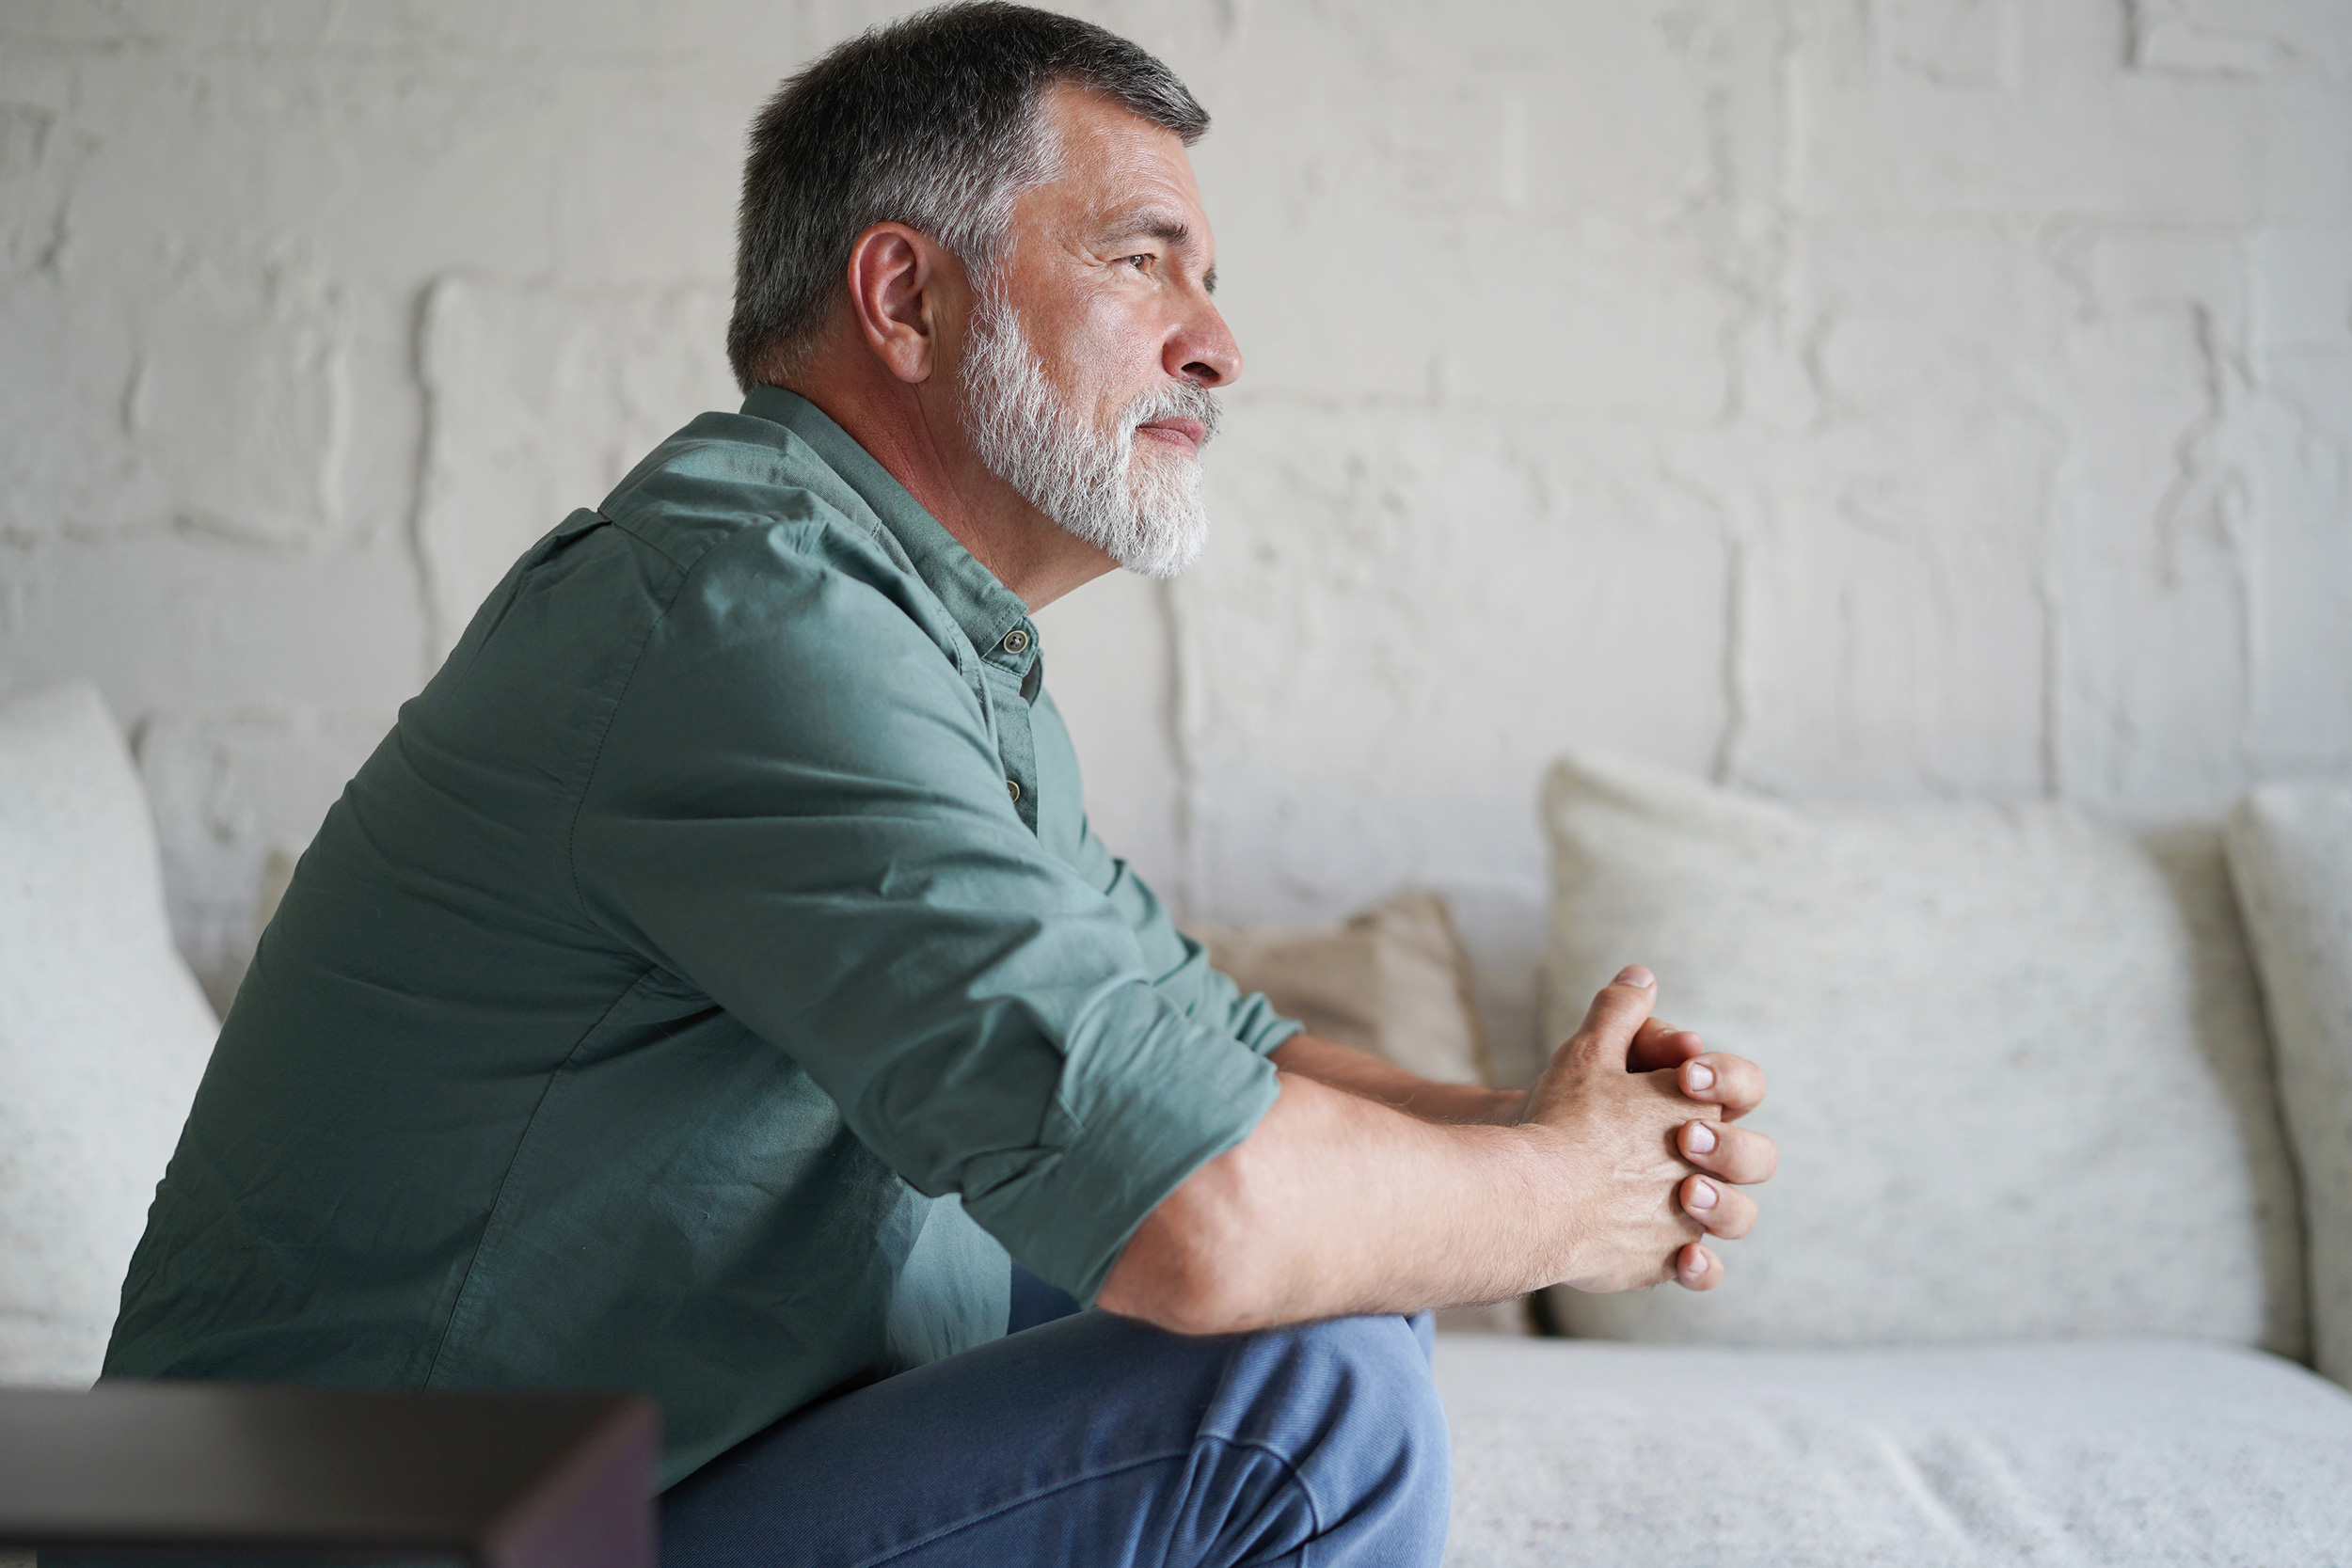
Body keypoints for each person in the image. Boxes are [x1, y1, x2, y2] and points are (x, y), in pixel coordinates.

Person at [103, 6, 1777, 1564]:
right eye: (1147, 262)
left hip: (576, 1482)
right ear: (906, 298)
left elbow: (1210, 1059)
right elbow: (1202, 1213)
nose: (1221, 346)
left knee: (1345, 1273)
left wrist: (1538, 1125)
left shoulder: (924, 636)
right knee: (1299, 1397)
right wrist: (1572, 1196)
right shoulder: (741, 614)